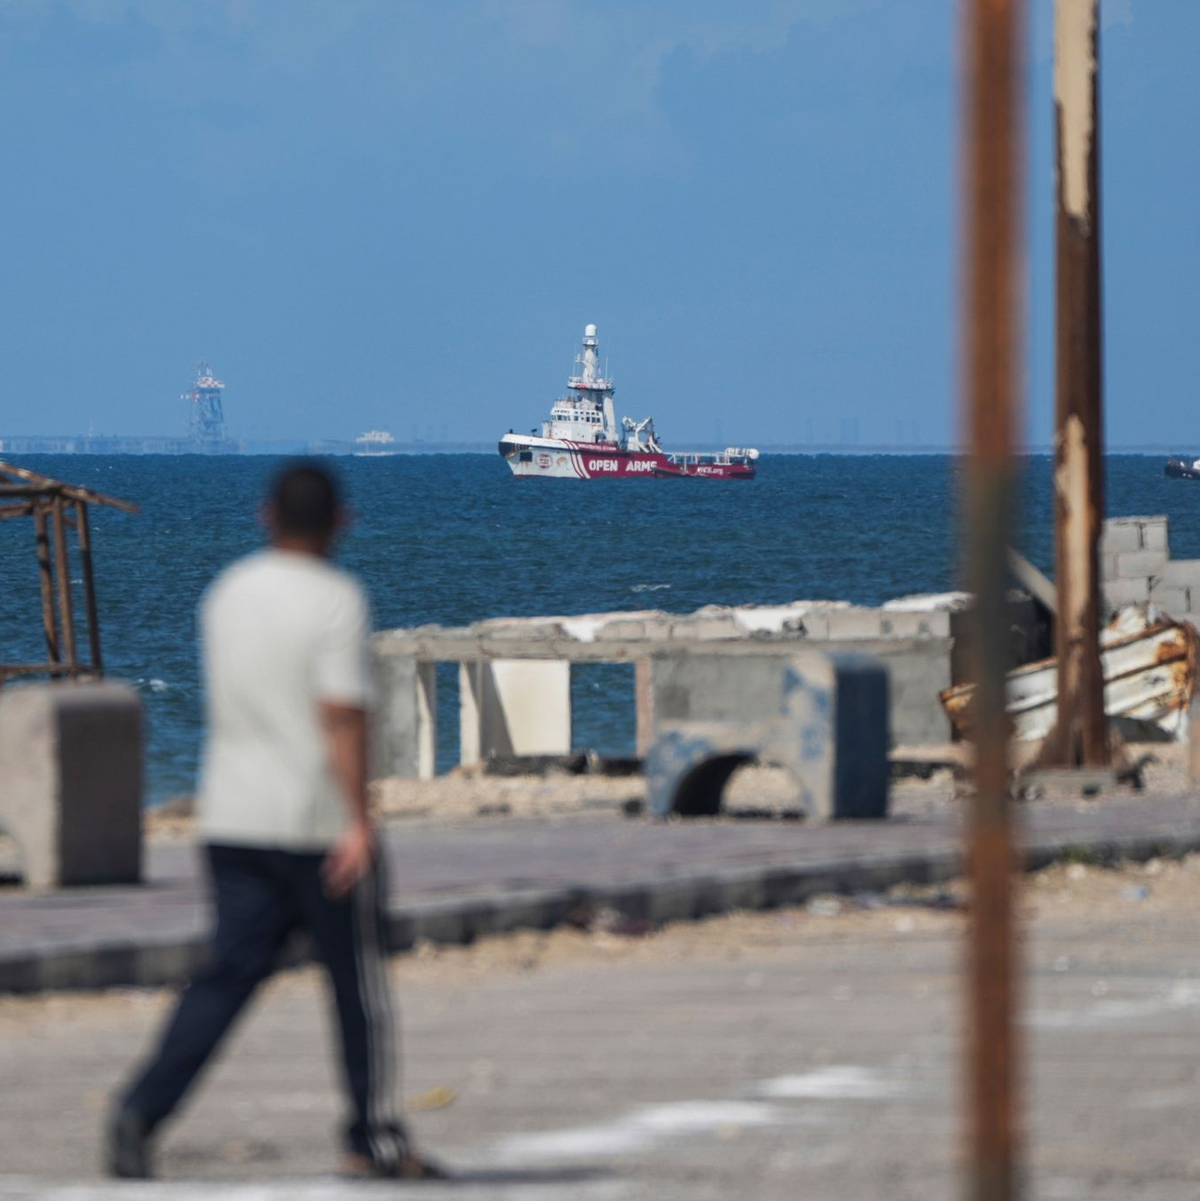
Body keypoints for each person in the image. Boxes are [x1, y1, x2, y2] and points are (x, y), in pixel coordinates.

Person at [107, 461, 443, 1182]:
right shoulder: (336, 599)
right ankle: (368, 1132)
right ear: (341, 520)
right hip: (314, 823)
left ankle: (141, 1108)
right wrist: (361, 818)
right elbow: (341, 714)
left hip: (231, 814)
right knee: (354, 983)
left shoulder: (226, 593)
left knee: (227, 975)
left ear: (266, 515)